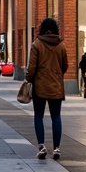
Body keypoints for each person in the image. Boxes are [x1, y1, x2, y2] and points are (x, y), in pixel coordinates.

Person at [26, 17, 69, 160]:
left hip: (40, 87)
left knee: (39, 116)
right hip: (56, 86)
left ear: (42, 29)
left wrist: (28, 79)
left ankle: (42, 146)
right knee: (56, 116)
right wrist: (56, 75)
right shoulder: (61, 45)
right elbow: (65, 66)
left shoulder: (37, 44)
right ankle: (57, 148)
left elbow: (31, 67)